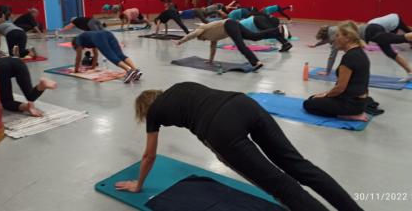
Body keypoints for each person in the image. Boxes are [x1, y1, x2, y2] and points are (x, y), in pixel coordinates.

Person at [115, 82, 363, 211]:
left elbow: (149, 155)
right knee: (301, 167)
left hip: (220, 128)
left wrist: (138, 184)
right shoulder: (181, 87)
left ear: (144, 108)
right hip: (244, 103)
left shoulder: (153, 113)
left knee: (282, 185)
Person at [309, 16, 412, 81]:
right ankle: (411, 73)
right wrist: (316, 45)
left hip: (371, 31)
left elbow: (332, 55)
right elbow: (326, 40)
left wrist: (327, 72)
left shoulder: (334, 36)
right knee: (390, 53)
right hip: (372, 30)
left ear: (326, 36)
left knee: (401, 38)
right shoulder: (335, 30)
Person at [303, 22, 370, 121]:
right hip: (360, 102)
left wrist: (325, 94)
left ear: (347, 38)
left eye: (338, 35)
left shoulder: (349, 58)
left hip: (350, 104)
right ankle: (351, 112)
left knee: (308, 103)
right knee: (314, 97)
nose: (335, 39)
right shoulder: (359, 52)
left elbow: (340, 88)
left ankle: (345, 115)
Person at [176, 19, 288, 70]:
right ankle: (277, 30)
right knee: (254, 36)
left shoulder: (201, 29)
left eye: (202, 39)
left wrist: (181, 41)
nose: (204, 40)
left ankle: (255, 62)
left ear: (200, 37)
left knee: (240, 45)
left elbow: (192, 35)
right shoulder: (211, 38)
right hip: (233, 23)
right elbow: (213, 48)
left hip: (229, 24)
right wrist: (210, 60)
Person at [72, 30, 142, 83]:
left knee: (110, 55)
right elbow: (95, 54)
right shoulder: (86, 37)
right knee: (120, 54)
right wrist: (93, 67)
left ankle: (129, 70)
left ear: (74, 44)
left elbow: (78, 57)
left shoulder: (78, 40)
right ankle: (135, 70)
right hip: (107, 33)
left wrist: (76, 70)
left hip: (99, 37)